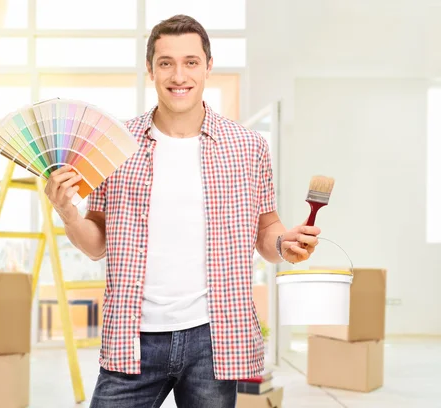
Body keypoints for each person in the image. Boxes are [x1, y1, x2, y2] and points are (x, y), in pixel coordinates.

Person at [44, 14, 321, 408]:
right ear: (150, 69)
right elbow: (95, 244)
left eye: (191, 62)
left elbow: (267, 231)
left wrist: (284, 242)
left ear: (208, 66)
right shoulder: (114, 146)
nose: (179, 75)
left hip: (215, 340)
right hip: (132, 338)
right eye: (166, 62)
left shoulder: (248, 147)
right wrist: (68, 213)